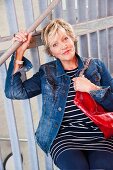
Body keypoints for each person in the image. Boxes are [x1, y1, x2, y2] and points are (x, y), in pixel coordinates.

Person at [5, 19, 113, 170]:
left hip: (99, 134)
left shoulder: (96, 66)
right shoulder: (47, 72)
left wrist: (92, 88)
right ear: (51, 51)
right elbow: (14, 92)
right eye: (55, 44)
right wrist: (19, 52)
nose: (63, 46)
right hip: (63, 136)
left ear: (72, 38)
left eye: (65, 39)